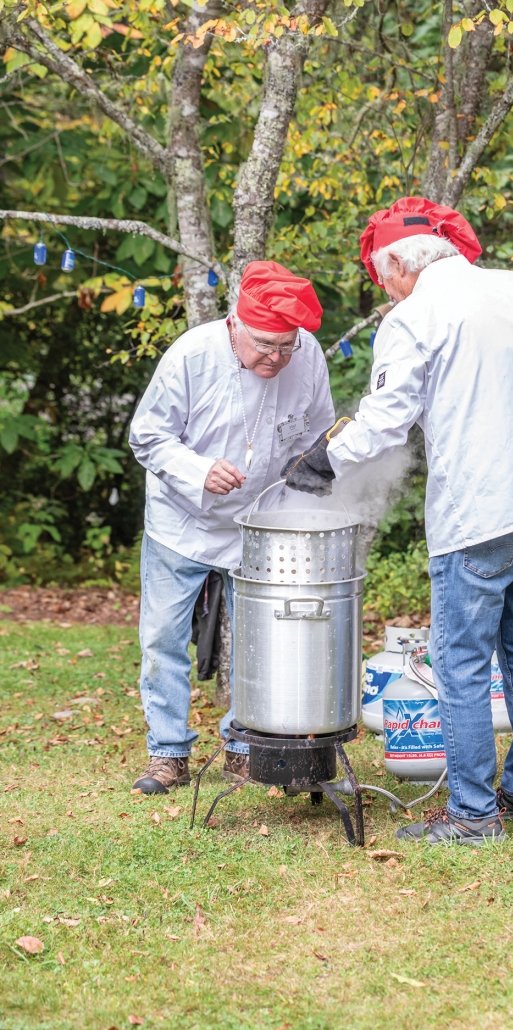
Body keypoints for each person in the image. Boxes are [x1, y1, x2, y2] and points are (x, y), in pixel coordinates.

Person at [282, 196, 513, 845]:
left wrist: (322, 461)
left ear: (400, 262)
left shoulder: (414, 315)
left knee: (458, 662)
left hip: (481, 513)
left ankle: (473, 815)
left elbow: (385, 418)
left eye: (381, 276)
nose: (385, 289)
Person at [129, 261, 335, 794]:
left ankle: (244, 747)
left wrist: (307, 487)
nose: (277, 357)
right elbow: (147, 437)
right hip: (183, 519)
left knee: (261, 638)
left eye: (287, 346)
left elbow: (316, 434)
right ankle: (167, 753)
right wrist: (199, 471)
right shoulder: (192, 355)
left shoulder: (305, 356)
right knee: (162, 637)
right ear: (234, 325)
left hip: (264, 520)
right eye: (267, 344)